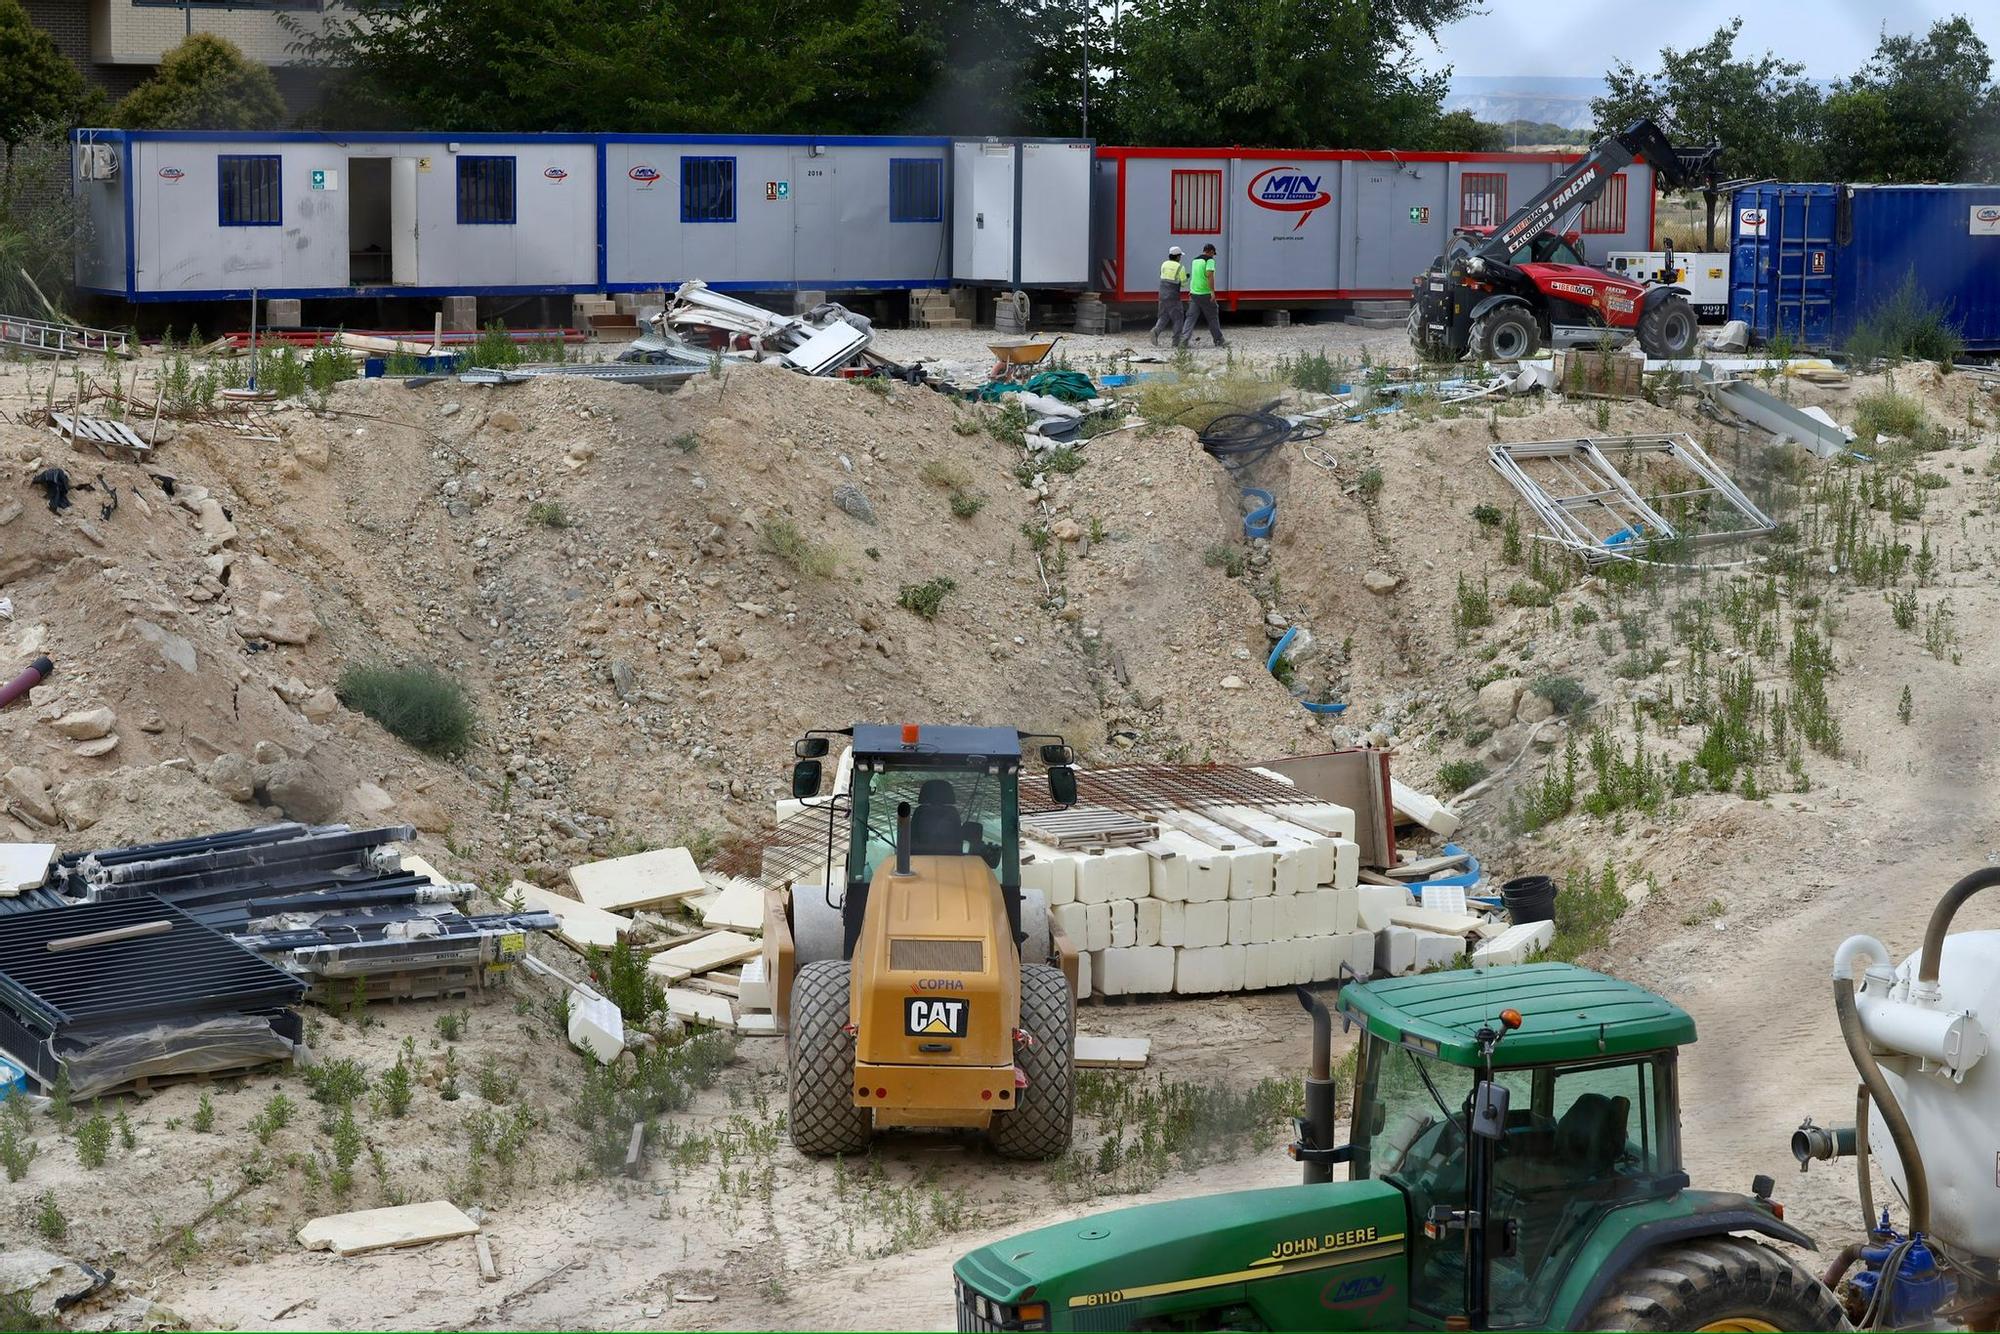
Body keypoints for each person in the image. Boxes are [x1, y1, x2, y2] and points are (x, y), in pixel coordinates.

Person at [1177, 242, 1225, 348]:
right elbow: (1209, 276)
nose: (1213, 255)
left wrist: (1191, 289)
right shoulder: (1210, 260)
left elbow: (1195, 276)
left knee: (1190, 317)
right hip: (1205, 293)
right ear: (1211, 252)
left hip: (1194, 293)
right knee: (1212, 317)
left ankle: (1183, 341)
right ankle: (1219, 340)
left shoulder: (1195, 260)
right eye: (1213, 253)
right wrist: (1212, 292)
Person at [1150, 246, 1188, 346]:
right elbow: (1183, 284)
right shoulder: (1180, 267)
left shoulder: (1164, 264)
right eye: (1180, 256)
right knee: (1178, 318)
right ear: (1177, 256)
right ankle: (1176, 342)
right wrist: (1186, 278)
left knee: (1164, 316)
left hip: (1162, 295)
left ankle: (1156, 331)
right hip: (1173, 296)